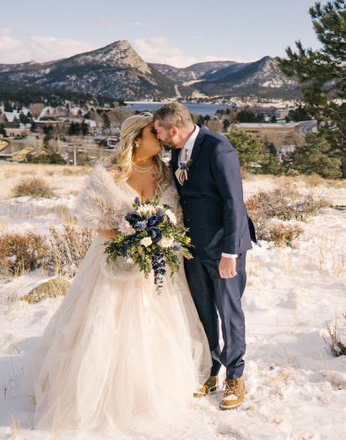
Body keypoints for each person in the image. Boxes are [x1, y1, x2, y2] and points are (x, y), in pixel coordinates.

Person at [28, 112, 209, 433]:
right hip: (114, 263)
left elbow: (176, 216)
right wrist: (128, 238)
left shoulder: (166, 174)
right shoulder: (110, 174)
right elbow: (89, 216)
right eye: (155, 132)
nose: (162, 136)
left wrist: (159, 239)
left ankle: (150, 387)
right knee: (105, 322)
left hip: (157, 263)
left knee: (156, 324)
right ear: (137, 138)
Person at [152, 102, 255, 411]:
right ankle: (211, 370)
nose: (157, 138)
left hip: (223, 248)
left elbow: (233, 203)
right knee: (202, 312)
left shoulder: (218, 150)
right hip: (192, 248)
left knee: (229, 312)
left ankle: (235, 377)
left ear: (174, 130)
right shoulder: (176, 151)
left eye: (159, 132)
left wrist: (229, 254)